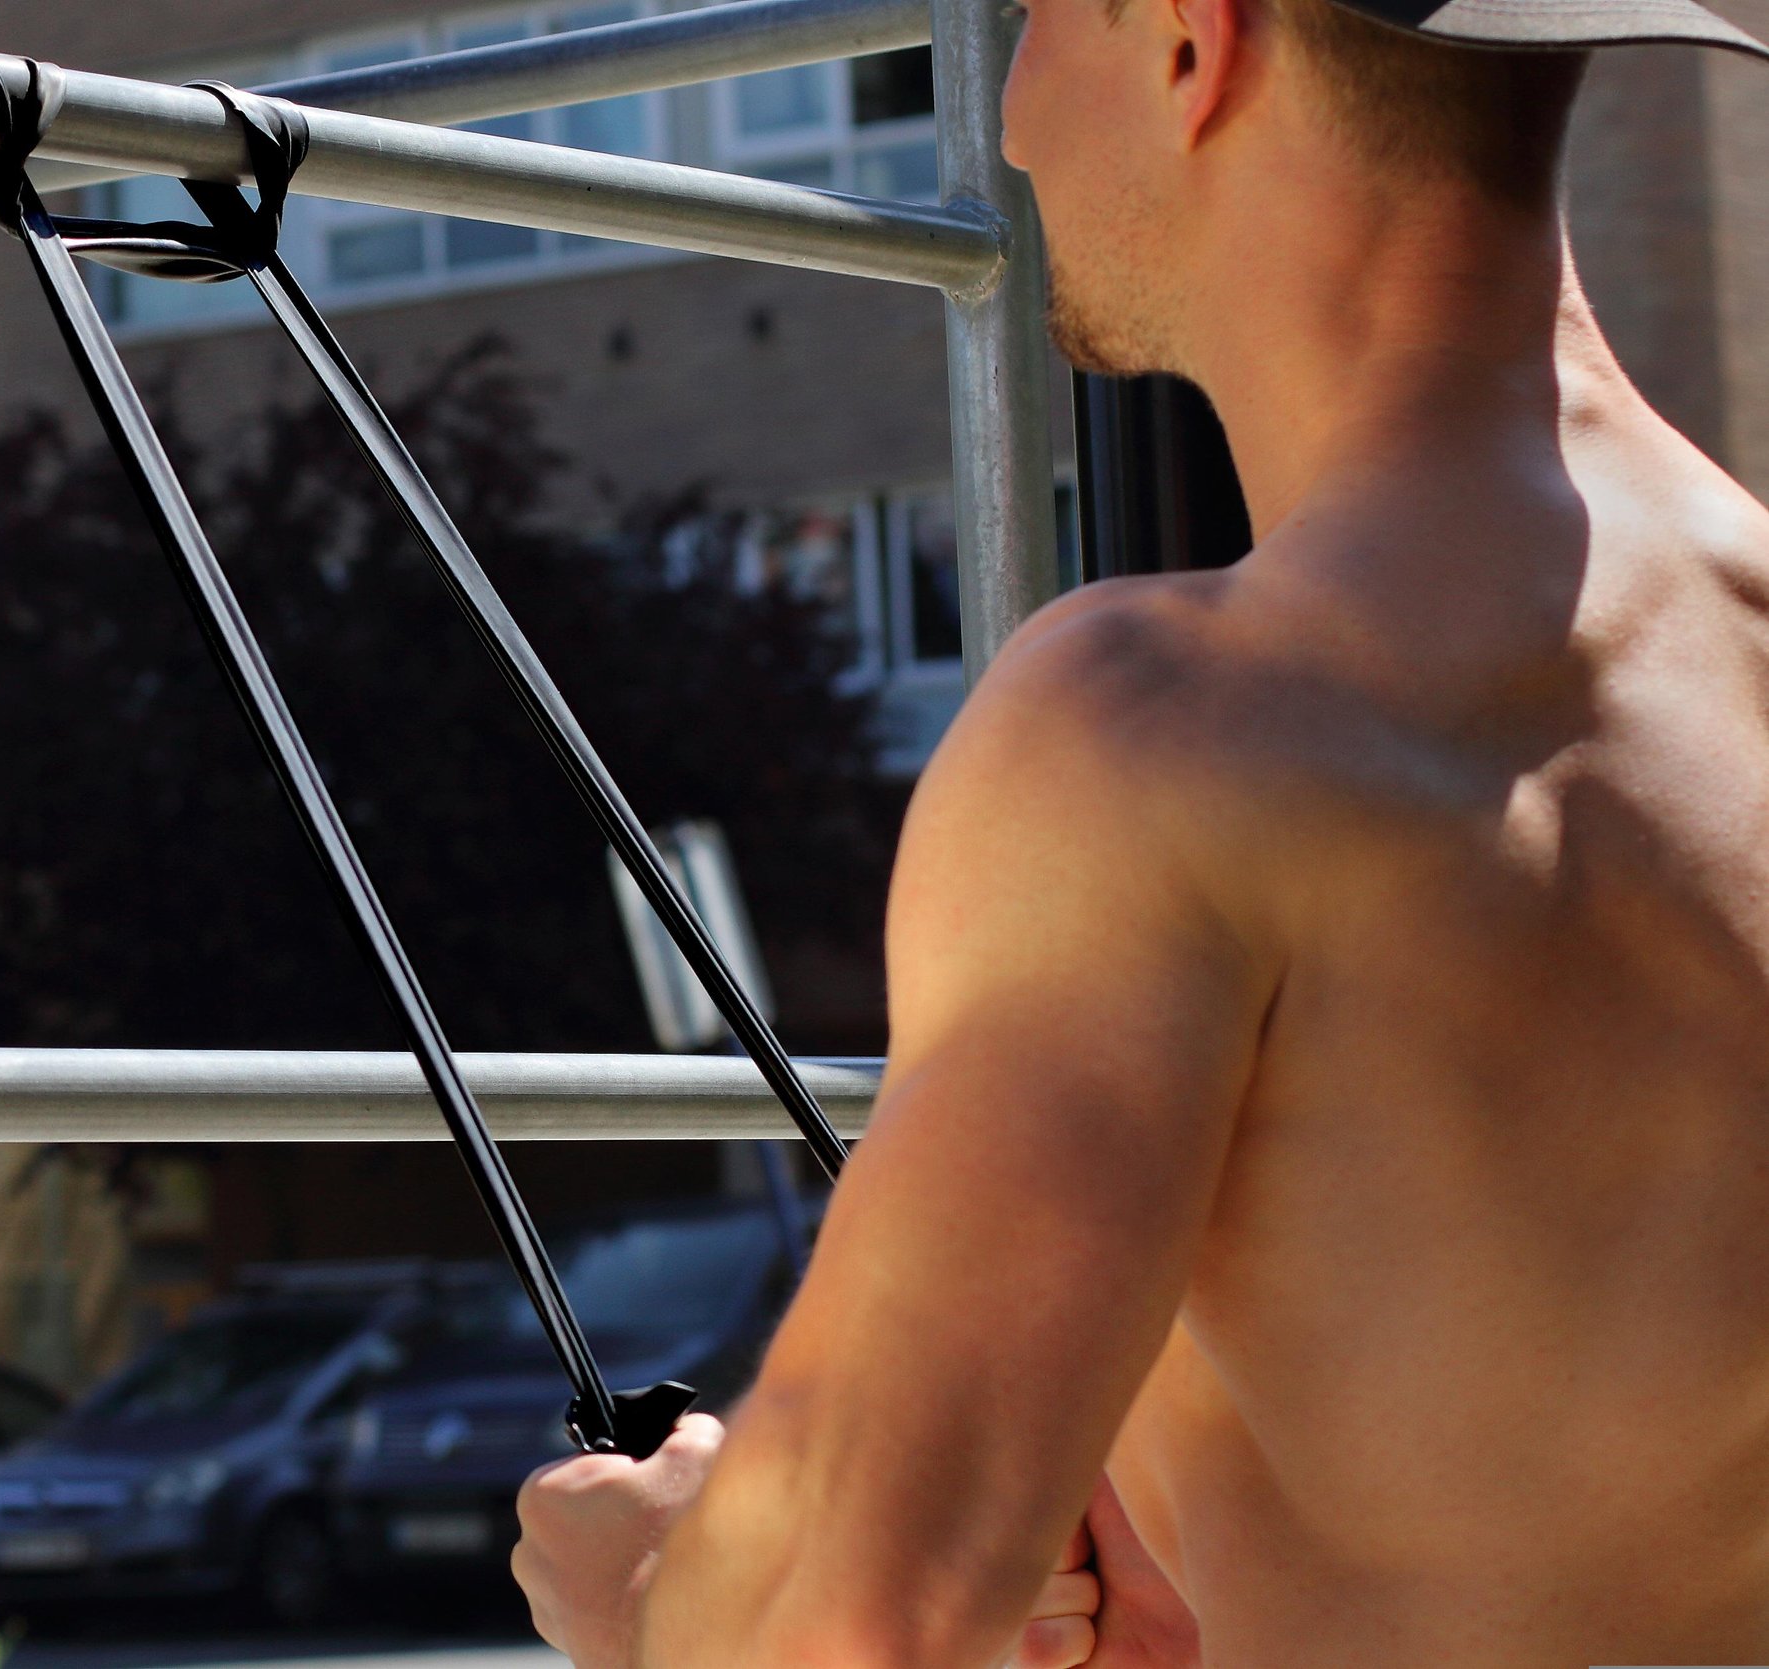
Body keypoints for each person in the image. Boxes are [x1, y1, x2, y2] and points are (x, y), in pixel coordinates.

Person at [509, 0, 1769, 1657]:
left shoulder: (1154, 728)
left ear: (1188, 40)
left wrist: (650, 1589)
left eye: (1031, 19)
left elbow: (845, 1621)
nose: (1005, 119)